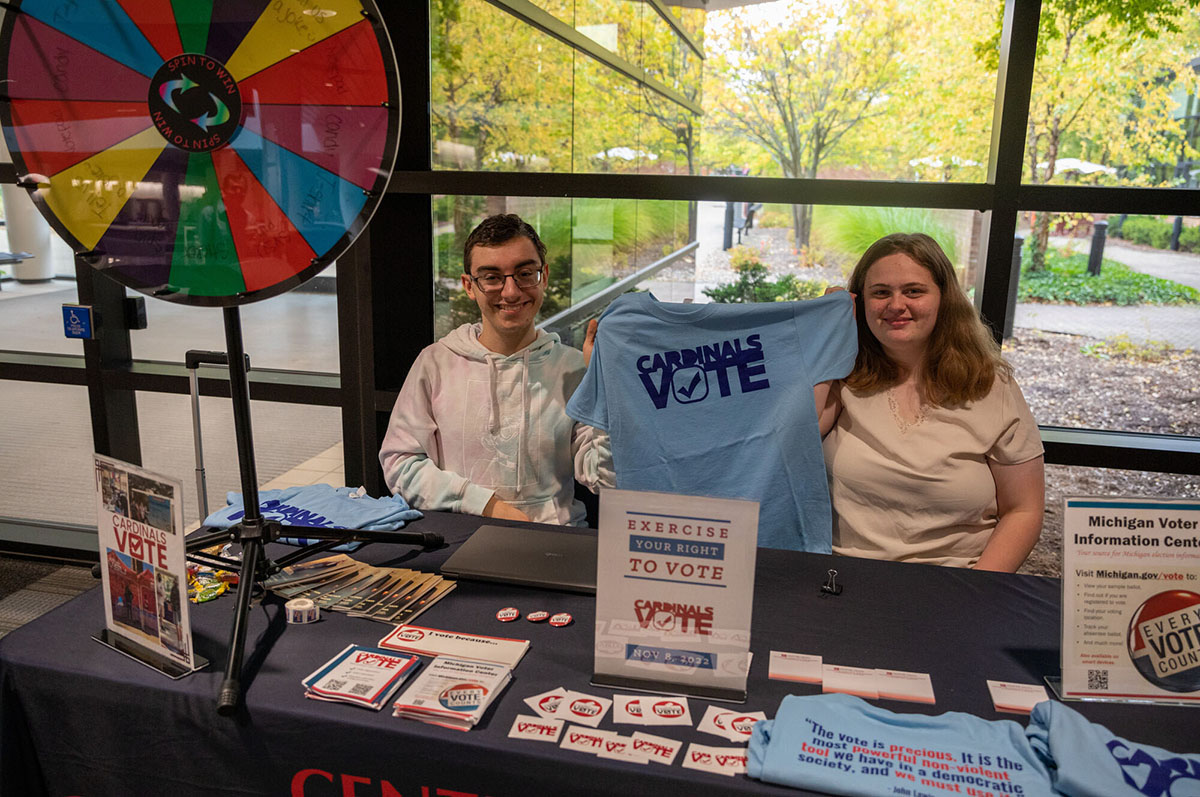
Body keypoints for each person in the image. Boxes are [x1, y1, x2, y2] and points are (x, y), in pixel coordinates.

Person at [819, 233, 1044, 571]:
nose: (896, 305)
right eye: (880, 292)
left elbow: (1023, 510)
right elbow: (794, 435)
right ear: (860, 302)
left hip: (957, 586)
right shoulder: (842, 377)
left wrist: (975, 591)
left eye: (914, 291)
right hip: (846, 580)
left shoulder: (990, 385)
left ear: (944, 298)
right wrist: (826, 330)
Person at [379, 213, 611, 526]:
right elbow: (400, 462)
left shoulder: (574, 369)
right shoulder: (436, 363)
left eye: (525, 273)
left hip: (554, 539)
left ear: (544, 275)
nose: (511, 292)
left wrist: (609, 388)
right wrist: (485, 504)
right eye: (492, 277)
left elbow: (603, 478)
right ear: (469, 286)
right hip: (456, 534)